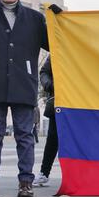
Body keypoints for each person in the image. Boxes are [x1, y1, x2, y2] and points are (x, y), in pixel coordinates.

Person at [0, 0, 48, 197]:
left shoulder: (35, 18)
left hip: (24, 85)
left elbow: (56, 44)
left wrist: (58, 21)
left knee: (25, 135)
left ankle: (26, 182)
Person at [33, 56, 58, 187]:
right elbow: (44, 72)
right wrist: (50, 85)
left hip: (82, 101)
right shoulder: (57, 48)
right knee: (53, 139)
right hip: (59, 101)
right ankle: (44, 172)